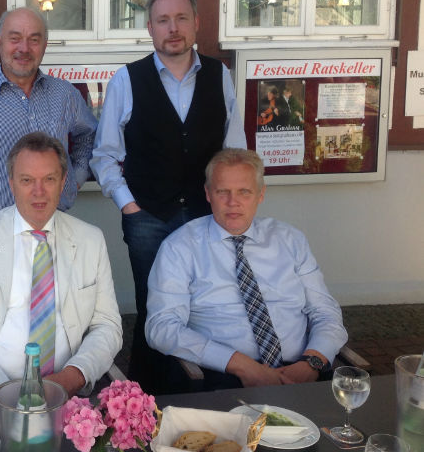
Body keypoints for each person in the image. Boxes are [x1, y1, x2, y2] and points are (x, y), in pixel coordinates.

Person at [90, 0, 246, 384]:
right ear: (149, 28)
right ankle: (150, 393)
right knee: (153, 307)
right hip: (148, 217)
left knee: (207, 302)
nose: (172, 28)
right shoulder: (127, 79)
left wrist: (231, 202)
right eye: (163, 20)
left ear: (197, 23)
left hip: (204, 213)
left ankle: (206, 389)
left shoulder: (219, 75)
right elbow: (104, 154)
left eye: (181, 18)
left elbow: (234, 149)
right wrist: (129, 205)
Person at [0, 132, 122, 403]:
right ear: (12, 183)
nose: (38, 192)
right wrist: (3, 393)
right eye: (27, 180)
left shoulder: (90, 240)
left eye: (49, 179)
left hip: (66, 398)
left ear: (63, 181)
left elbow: (107, 325)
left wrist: (74, 375)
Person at [145, 149, 347, 391]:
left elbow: (326, 313)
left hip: (301, 372)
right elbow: (161, 326)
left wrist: (312, 362)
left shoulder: (290, 239)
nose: (233, 202)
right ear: (208, 194)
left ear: (260, 194)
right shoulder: (180, 247)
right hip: (224, 378)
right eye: (223, 192)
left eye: (244, 191)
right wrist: (240, 364)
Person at [0, 7, 97, 225]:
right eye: (15, 39)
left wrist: (73, 179)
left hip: (52, 227)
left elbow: (88, 135)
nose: (24, 49)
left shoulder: (65, 96)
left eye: (34, 40)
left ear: (44, 45)